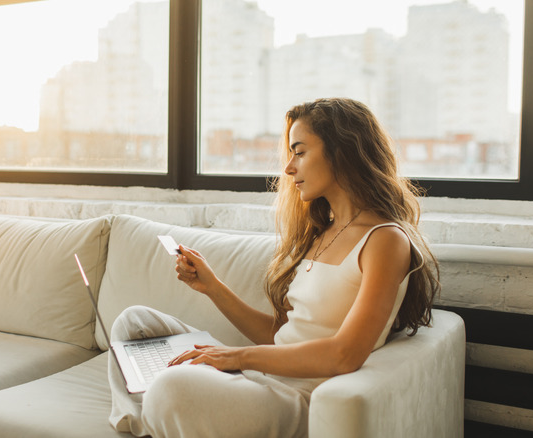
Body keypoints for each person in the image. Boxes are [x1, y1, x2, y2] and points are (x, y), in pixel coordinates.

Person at [107, 97, 440, 438]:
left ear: (342, 151)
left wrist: (238, 357)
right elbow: (278, 336)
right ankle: (146, 422)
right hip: (259, 383)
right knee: (133, 323)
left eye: (300, 152)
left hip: (297, 397)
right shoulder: (322, 233)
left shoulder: (384, 240)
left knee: (171, 387)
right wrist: (213, 287)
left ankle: (158, 412)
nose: (289, 168)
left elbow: (345, 354)